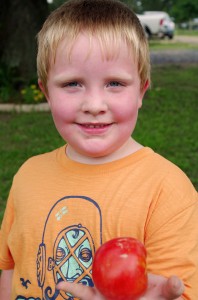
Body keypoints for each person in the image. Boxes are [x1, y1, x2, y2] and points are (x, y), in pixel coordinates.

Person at [0, 0, 197, 299]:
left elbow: (177, 290)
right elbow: (12, 269)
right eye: (72, 84)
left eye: (115, 83)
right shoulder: (27, 176)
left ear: (141, 90)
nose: (94, 106)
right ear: (46, 92)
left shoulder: (167, 191)